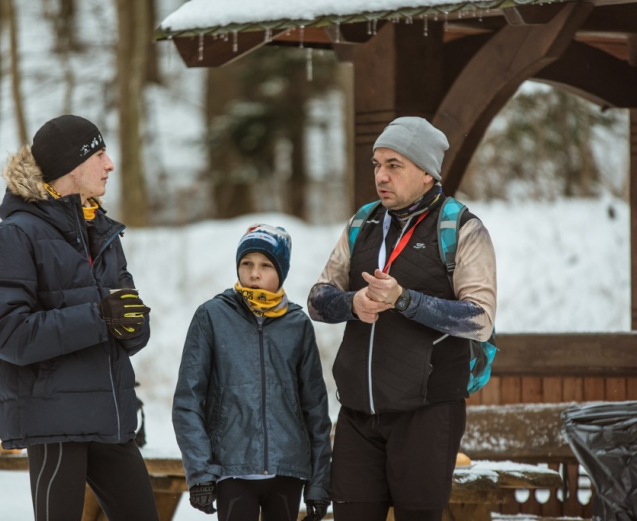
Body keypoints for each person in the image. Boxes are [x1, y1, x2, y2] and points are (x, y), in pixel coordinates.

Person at [307, 117, 497, 521]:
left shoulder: (461, 228)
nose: (381, 175)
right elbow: (317, 300)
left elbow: (480, 319)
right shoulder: (362, 223)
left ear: (427, 173)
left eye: (394, 165)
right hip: (359, 413)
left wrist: (405, 300)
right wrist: (352, 304)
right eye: (377, 164)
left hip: (427, 414)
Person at [0, 115, 158, 521]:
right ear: (71, 166)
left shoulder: (103, 233)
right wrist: (99, 317)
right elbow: (7, 334)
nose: (110, 164)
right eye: (100, 154)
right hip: (53, 420)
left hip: (111, 417)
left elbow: (126, 325)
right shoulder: (12, 237)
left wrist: (133, 323)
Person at [173, 224, 332, 521]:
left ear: (281, 272)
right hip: (231, 469)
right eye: (246, 263)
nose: (254, 274)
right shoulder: (212, 316)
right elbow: (187, 402)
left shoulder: (297, 324)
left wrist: (319, 483)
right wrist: (200, 472)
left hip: (288, 471)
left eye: (265, 265)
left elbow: (315, 410)